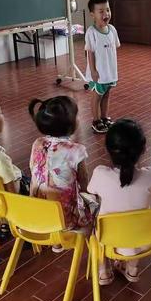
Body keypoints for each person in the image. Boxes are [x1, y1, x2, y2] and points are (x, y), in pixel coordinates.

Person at [88, 119, 151, 285]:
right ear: (143, 149)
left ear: (109, 150)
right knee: (138, 218)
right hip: (145, 241)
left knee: (96, 223)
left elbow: (92, 192)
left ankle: (104, 271)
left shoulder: (100, 173)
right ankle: (132, 268)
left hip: (109, 241)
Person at [29, 96, 92, 235]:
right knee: (94, 207)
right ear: (71, 124)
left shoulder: (38, 143)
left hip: (36, 212)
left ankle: (55, 243)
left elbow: (33, 168)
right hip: (64, 219)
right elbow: (84, 181)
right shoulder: (76, 150)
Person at [85, 0, 120, 134]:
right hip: (98, 73)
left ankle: (104, 117)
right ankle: (96, 120)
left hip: (109, 72)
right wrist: (93, 71)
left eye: (108, 10)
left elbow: (113, 50)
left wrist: (113, 69)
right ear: (92, 14)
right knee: (97, 95)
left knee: (106, 94)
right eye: (101, 11)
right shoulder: (91, 32)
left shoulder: (112, 29)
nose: (106, 14)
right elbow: (90, 53)